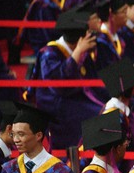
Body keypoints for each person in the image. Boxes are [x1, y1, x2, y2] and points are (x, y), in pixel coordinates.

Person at [31, 10, 106, 149]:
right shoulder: (49, 53)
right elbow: (58, 87)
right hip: (57, 103)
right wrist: (77, 53)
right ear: (80, 40)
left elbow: (91, 78)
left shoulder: (84, 51)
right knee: (101, 116)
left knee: (112, 108)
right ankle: (85, 160)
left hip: (77, 96)